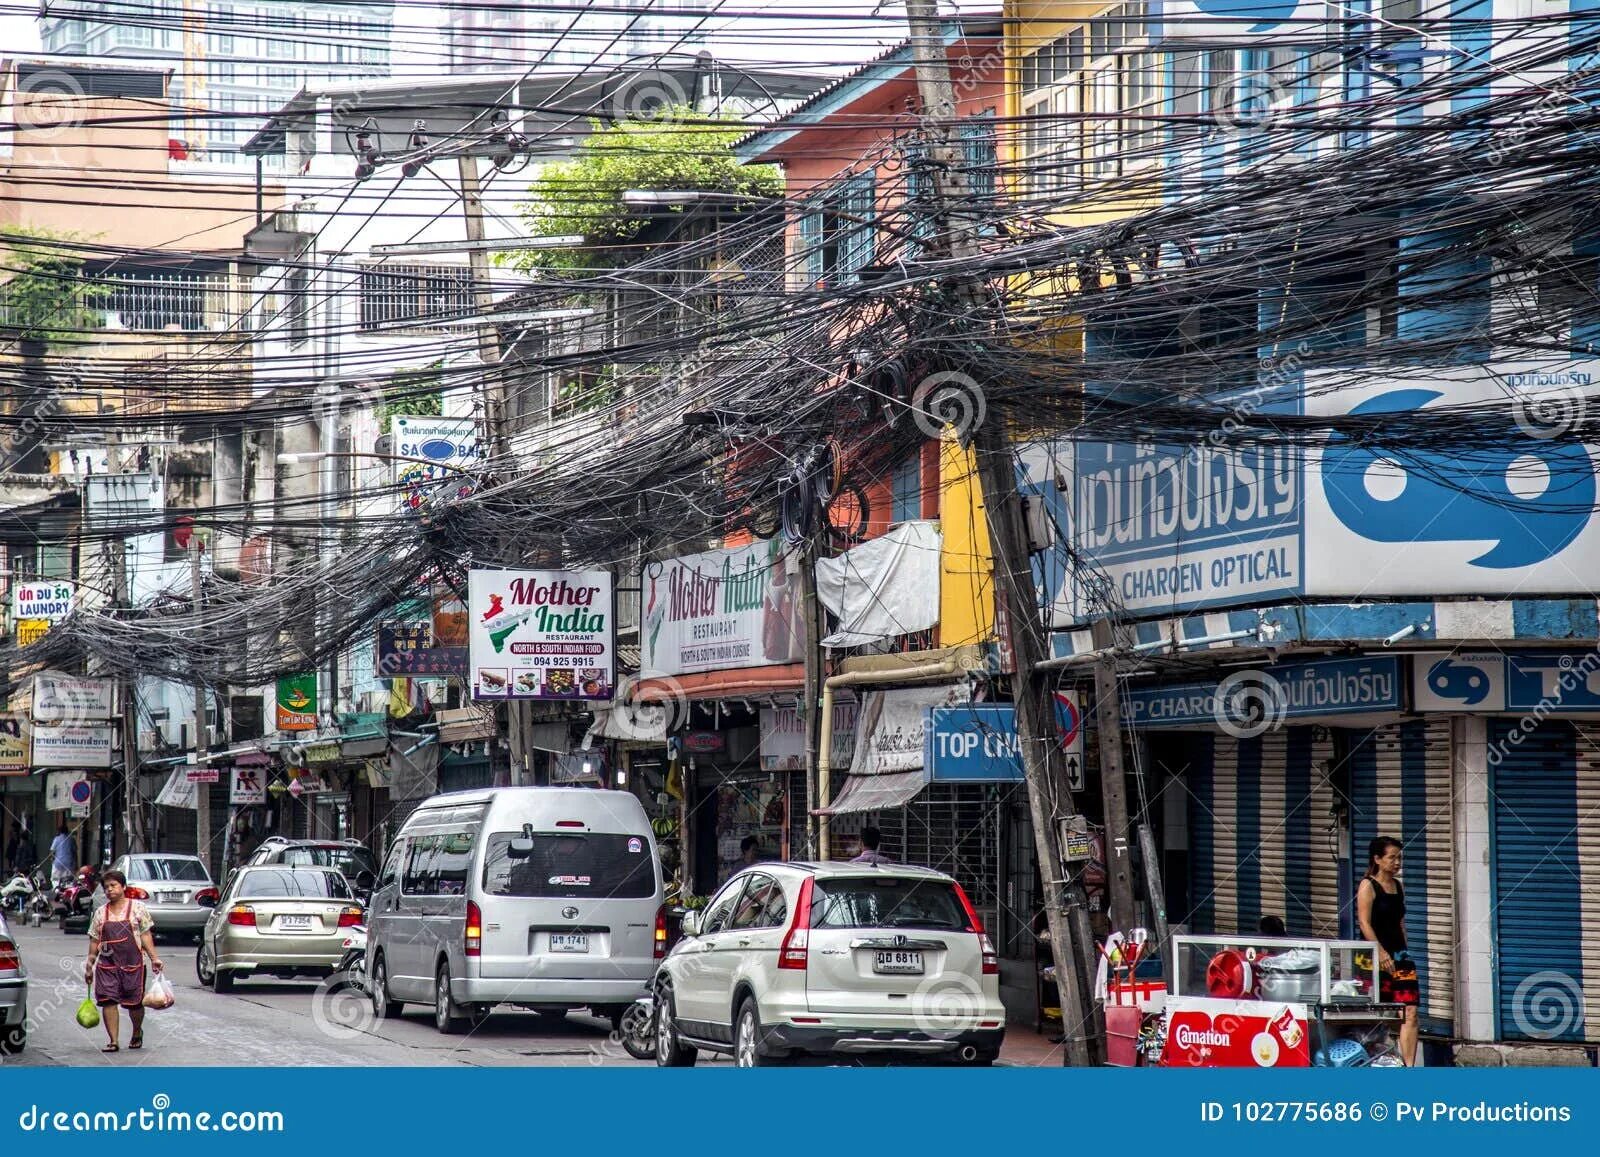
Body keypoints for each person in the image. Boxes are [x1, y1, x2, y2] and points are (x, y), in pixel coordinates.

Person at [83, 870, 162, 1054]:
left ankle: (136, 1031)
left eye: (113, 885)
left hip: (133, 965)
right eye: (106, 887)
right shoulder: (100, 914)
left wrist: (154, 958)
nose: (109, 890)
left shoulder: (138, 908)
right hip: (107, 965)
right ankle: (113, 1040)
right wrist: (89, 967)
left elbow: (145, 934)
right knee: (108, 1000)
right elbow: (94, 940)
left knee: (134, 1003)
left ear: (123, 886)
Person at [1357, 835, 1418, 1066]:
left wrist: (1405, 953)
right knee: (1376, 1012)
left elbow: (1400, 923)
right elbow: (1364, 923)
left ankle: (1409, 1067)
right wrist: (1380, 953)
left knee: (1410, 1010)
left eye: (1399, 857)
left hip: (1400, 957)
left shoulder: (1398, 886)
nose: (1397, 862)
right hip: (1373, 959)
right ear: (1377, 859)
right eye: (1392, 857)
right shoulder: (1368, 885)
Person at [49, 821, 75, 888]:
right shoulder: (71, 839)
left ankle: (56, 890)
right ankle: (65, 891)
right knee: (68, 880)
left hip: (58, 862)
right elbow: (74, 852)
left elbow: (52, 851)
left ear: (59, 831)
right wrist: (75, 863)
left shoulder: (56, 839)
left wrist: (52, 860)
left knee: (55, 879)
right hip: (69, 863)